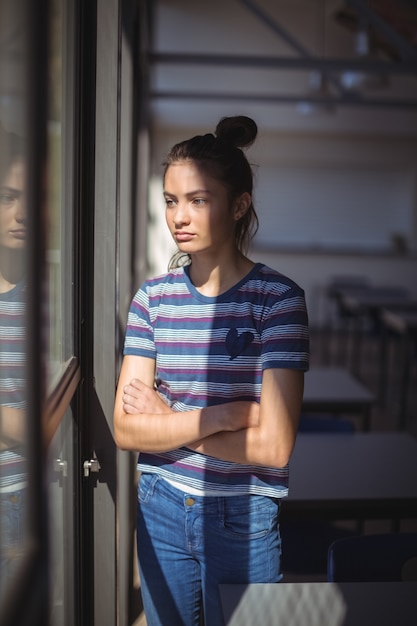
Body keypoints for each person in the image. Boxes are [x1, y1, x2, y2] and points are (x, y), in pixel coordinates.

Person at [114, 115, 309, 625]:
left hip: (243, 512)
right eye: (171, 200)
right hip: (160, 503)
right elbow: (127, 428)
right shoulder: (151, 300)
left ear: (239, 203)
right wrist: (224, 416)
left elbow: (273, 447)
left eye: (198, 200)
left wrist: (167, 418)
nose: (179, 216)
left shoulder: (278, 301)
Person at [0, 124, 27, 596]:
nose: (21, 214)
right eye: (6, 196)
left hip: (14, 497)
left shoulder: (53, 302)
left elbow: (38, 429)